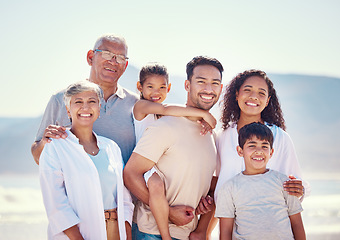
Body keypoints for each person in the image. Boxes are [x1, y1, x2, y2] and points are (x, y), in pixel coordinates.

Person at [124, 56, 224, 240]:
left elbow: (200, 182)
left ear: (221, 88)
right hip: (151, 233)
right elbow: (130, 174)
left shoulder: (212, 135)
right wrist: (169, 212)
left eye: (215, 83)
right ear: (187, 85)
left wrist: (205, 205)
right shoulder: (165, 125)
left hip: (187, 234)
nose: (209, 89)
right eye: (201, 81)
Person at [209, 69, 310, 238]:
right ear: (236, 94)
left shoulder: (280, 138)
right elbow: (215, 184)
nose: (254, 96)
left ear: (268, 100)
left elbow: (296, 185)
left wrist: (300, 189)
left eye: (261, 93)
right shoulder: (221, 136)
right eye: (247, 90)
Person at [39, 81, 134, 240]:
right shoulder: (54, 148)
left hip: (115, 231)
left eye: (92, 101)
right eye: (78, 102)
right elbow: (57, 205)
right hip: (78, 234)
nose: (85, 107)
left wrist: (126, 235)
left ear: (99, 108)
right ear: (68, 109)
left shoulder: (111, 148)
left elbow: (125, 201)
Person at [31, 34, 139, 165]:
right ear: (90, 57)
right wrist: (45, 142)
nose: (113, 61)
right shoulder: (61, 99)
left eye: (120, 58)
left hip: (120, 185)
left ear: (125, 65)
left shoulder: (137, 105)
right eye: (107, 54)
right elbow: (38, 157)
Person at [215, 122, 306, 240]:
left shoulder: (284, 182)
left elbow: (297, 224)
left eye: (264, 146)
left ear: (271, 152)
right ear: (240, 151)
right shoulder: (229, 188)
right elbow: (226, 231)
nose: (259, 151)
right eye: (252, 145)